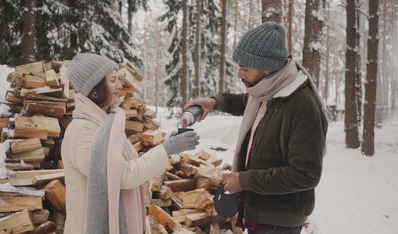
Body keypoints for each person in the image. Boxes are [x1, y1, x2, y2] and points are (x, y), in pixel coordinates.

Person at [185, 21, 328, 234]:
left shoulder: (302, 105)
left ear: (267, 66)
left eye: (245, 68)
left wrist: (244, 181)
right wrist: (215, 102)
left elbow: (305, 174)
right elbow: (247, 102)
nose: (240, 74)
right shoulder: (269, 91)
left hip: (279, 221)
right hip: (261, 212)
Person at [61, 53, 199, 234]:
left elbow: (126, 164)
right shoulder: (84, 130)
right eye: (112, 81)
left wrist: (168, 145)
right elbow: (123, 175)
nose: (119, 86)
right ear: (94, 89)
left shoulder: (104, 123)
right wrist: (168, 149)